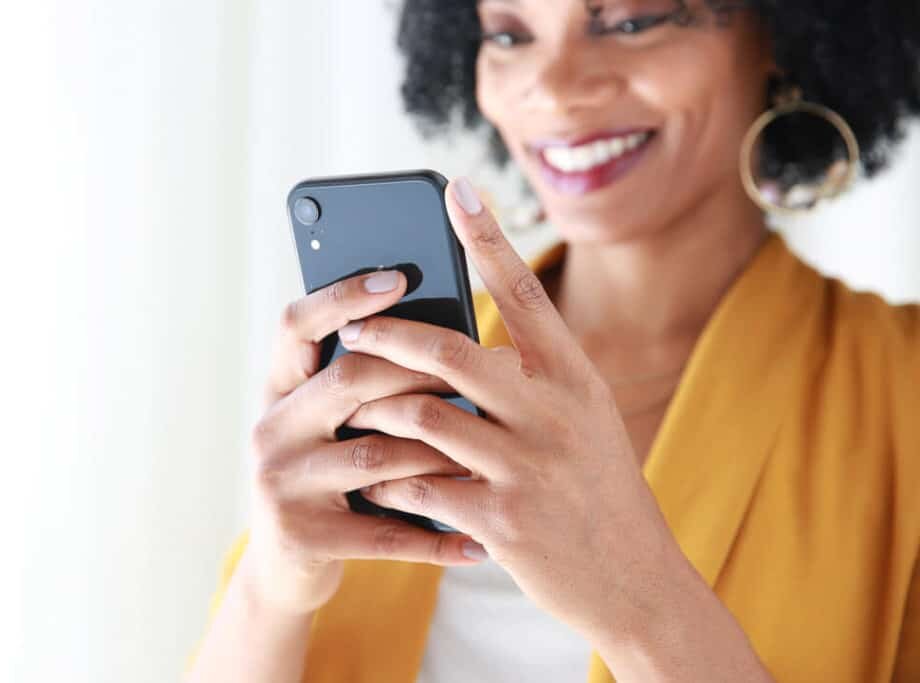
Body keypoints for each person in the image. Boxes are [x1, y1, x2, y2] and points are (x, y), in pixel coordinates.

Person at [187, 1, 920, 681]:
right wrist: (271, 586)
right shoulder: (397, 368)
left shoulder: (900, 395)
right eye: (510, 33)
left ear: (779, 36)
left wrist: (638, 601)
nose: (553, 88)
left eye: (629, 21)